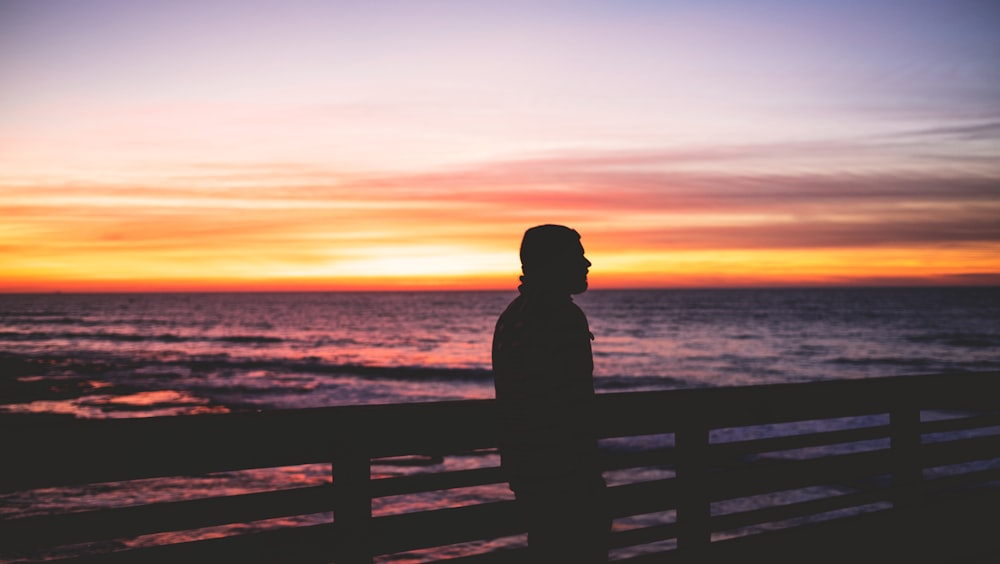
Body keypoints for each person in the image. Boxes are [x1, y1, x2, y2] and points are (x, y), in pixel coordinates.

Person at [492, 224, 609, 563]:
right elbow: (573, 402)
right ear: (553, 263)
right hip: (564, 471)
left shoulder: (512, 315)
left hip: (528, 468)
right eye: (577, 256)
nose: (587, 263)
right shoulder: (560, 315)